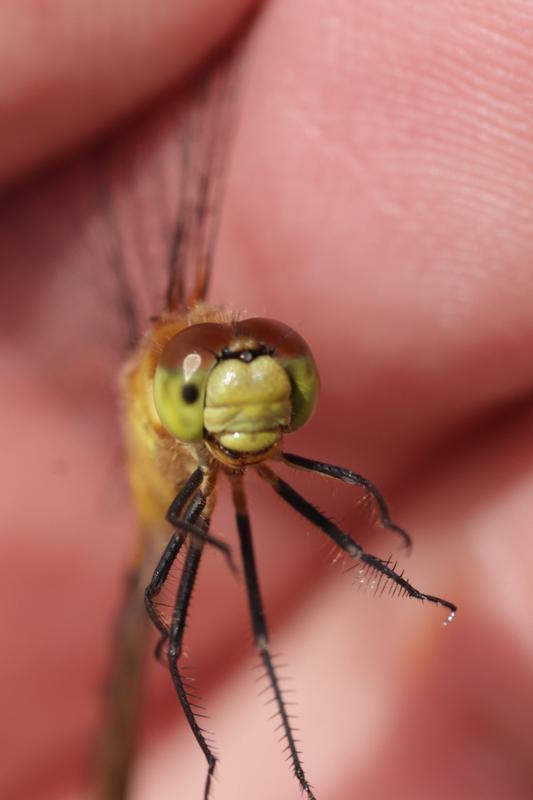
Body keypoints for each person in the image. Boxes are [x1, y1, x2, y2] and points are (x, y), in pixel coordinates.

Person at [2, 1, 532, 798]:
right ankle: (229, 772)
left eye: (282, 378)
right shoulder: (181, 459)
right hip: (159, 516)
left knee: (347, 528)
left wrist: (393, 557)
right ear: (175, 402)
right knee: (179, 629)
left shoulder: (231, 415)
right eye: (219, 392)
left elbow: (351, 511)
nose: (251, 397)